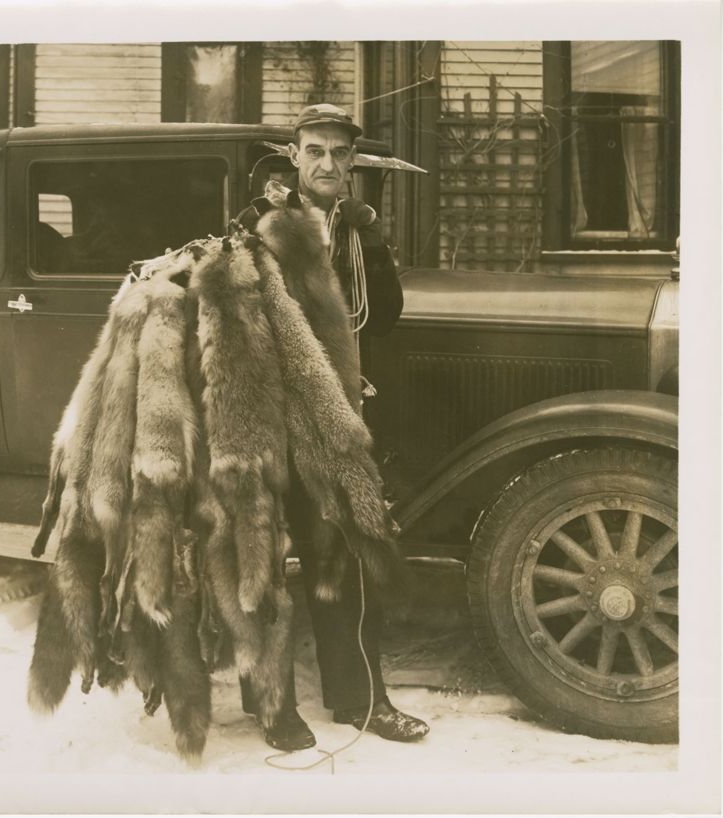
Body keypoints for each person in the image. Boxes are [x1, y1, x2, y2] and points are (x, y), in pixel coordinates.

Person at [236, 102, 429, 752]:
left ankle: (359, 700)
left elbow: (386, 316)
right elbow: (246, 329)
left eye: (339, 153)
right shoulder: (258, 226)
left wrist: (373, 244)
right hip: (272, 417)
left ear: (352, 163)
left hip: (336, 418)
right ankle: (273, 706)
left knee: (341, 557)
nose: (326, 163)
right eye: (314, 150)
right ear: (295, 155)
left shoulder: (351, 227)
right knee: (270, 559)